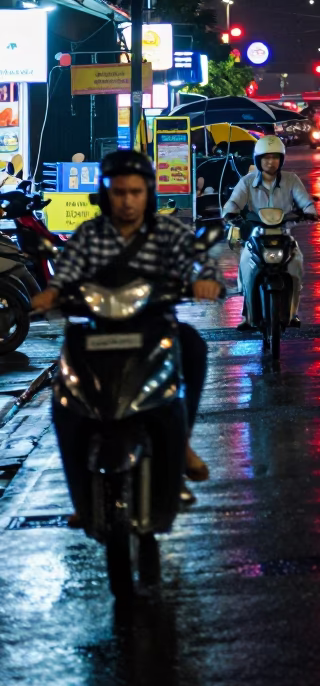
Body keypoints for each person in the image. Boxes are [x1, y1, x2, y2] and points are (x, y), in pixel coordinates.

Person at [31, 150, 223, 515]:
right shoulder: (89, 235)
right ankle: (82, 495)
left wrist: (205, 281)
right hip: (95, 331)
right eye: (119, 192)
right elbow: (67, 273)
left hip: (153, 328)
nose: (127, 201)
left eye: (135, 192)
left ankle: (180, 444)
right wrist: (51, 293)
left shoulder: (168, 231)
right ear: (106, 195)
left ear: (147, 193)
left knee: (194, 348)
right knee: (66, 404)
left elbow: (199, 260)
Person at [222, 135, 317, 329]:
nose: (270, 162)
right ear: (258, 159)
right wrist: (230, 212)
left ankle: (292, 313)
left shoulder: (292, 180)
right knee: (246, 265)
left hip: (284, 234)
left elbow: (305, 201)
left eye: (275, 157)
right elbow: (234, 201)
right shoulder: (247, 181)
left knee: (296, 265)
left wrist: (309, 212)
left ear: (281, 159)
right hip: (256, 236)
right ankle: (247, 315)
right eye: (266, 157)